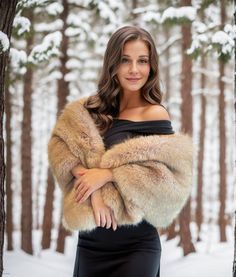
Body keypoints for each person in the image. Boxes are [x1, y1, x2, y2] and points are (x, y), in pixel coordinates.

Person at [48, 26, 193, 277]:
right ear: (113, 63)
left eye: (142, 61)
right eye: (125, 60)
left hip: (137, 245)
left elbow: (168, 181)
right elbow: (60, 146)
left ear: (152, 66)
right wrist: (92, 187)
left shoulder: (156, 114)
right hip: (91, 243)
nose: (134, 69)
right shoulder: (89, 110)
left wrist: (109, 174)